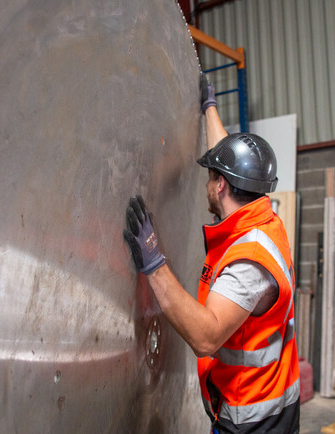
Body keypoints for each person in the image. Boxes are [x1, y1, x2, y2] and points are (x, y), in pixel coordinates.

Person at [123, 74, 300, 433]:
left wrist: (154, 263)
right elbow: (231, 163)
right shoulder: (263, 219)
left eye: (211, 178)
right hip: (267, 404)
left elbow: (206, 337)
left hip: (253, 421)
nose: (206, 184)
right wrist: (209, 107)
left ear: (220, 186)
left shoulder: (249, 262)